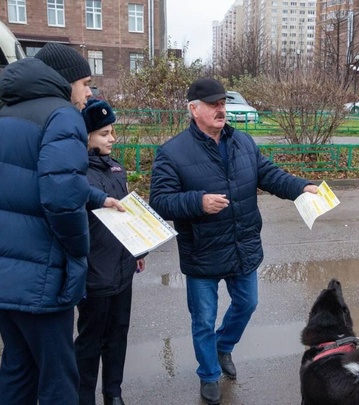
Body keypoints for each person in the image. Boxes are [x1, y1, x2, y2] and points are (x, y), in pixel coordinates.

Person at [149, 77, 318, 405]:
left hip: (242, 244)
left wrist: (301, 186)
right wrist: (198, 203)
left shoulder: (243, 142)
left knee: (247, 303)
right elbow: (160, 200)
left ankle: (223, 346)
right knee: (202, 319)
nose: (220, 109)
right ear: (193, 109)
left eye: (223, 103)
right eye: (213, 104)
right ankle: (209, 374)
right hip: (202, 249)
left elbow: (269, 175)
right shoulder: (172, 152)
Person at [0, 43, 122, 404]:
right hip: (42, 276)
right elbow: (61, 198)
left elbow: (39, 178)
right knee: (58, 379)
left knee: (17, 370)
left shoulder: (6, 112)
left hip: (7, 273)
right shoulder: (62, 116)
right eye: (85, 83)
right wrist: (78, 254)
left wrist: (99, 197)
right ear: (66, 81)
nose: (88, 92)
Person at [75, 98, 146, 405]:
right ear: (87, 136)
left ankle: (113, 392)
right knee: (91, 340)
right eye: (105, 133)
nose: (112, 138)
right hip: (95, 271)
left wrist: (139, 248)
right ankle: (84, 395)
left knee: (118, 335)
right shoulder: (77, 173)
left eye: (113, 131)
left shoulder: (116, 168)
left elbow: (126, 212)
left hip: (122, 268)